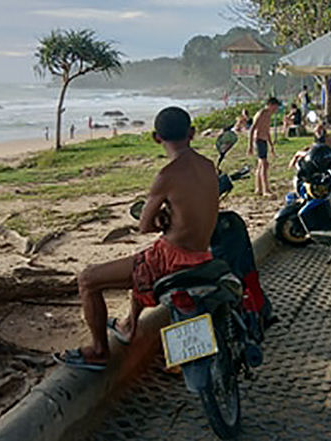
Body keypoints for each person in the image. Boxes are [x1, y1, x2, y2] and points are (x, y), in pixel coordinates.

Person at [54, 107, 219, 369]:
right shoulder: (209, 166)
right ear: (192, 133)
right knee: (140, 265)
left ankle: (99, 350)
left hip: (172, 258)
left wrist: (159, 219)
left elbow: (144, 225)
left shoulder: (166, 175)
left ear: (156, 138)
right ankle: (129, 324)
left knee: (87, 279)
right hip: (203, 254)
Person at [249, 97, 280, 196]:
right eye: (275, 107)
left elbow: (267, 131)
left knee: (261, 165)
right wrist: (249, 146)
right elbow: (252, 129)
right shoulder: (261, 113)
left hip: (264, 140)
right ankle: (266, 190)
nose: (276, 109)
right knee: (265, 164)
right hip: (258, 140)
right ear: (270, 105)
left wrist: (271, 145)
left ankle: (258, 188)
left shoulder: (269, 115)